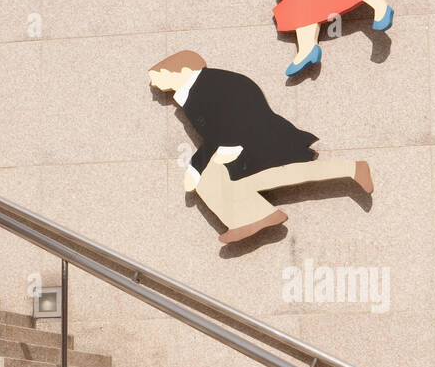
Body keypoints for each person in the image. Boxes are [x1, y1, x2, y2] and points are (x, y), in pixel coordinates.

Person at [148, 49, 374, 245]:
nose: (155, 84)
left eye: (158, 75)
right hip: (243, 143)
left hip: (253, 140)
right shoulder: (198, 89)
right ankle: (351, 169)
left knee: (210, 179)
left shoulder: (205, 87)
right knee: (271, 177)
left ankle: (253, 217)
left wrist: (196, 166)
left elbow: (226, 124)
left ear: (183, 71)